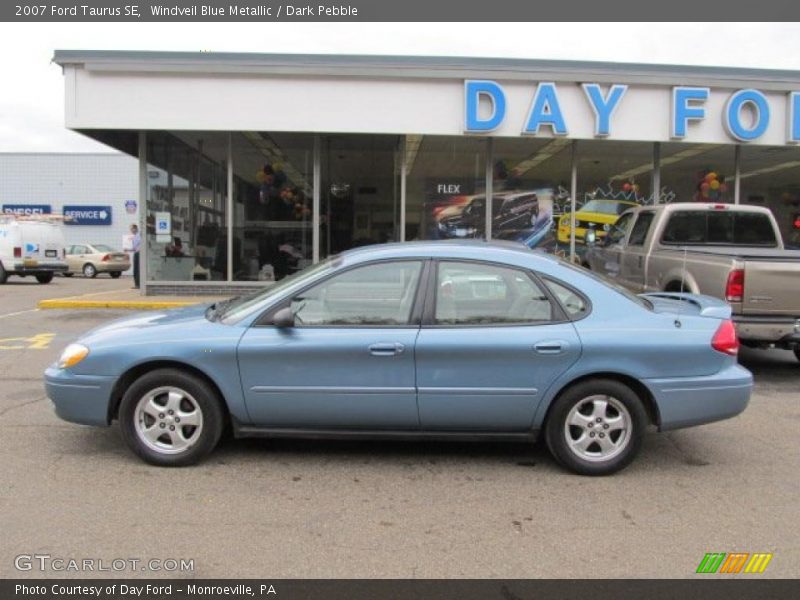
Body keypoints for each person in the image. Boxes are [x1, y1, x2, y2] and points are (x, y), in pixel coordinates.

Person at [130, 223, 141, 289]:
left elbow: (140, 245)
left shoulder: (139, 235)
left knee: (138, 269)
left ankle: (138, 284)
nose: (131, 231)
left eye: (132, 229)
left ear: (135, 229)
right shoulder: (135, 236)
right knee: (135, 269)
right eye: (131, 229)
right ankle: (137, 284)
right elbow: (134, 247)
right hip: (136, 252)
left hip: (139, 253)